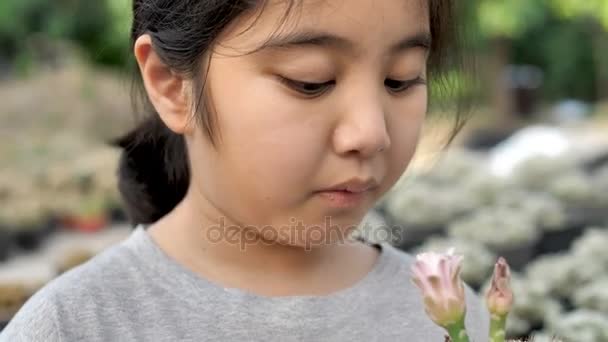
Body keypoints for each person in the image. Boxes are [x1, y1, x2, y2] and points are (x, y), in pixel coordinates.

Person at [1, 0, 489, 341]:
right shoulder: (75, 326)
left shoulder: (446, 314)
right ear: (172, 85)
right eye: (311, 81)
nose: (370, 132)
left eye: (400, 79)